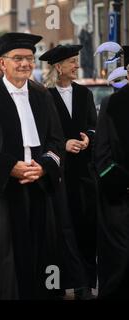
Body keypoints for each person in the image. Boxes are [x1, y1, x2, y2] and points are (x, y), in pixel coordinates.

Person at [0, 32, 65, 299]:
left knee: (43, 255)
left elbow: (56, 141)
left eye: (29, 59)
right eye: (18, 58)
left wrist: (44, 166)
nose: (25, 64)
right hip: (2, 192)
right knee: (9, 262)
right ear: (3, 63)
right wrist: (10, 166)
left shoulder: (42, 95)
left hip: (40, 186)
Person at [40, 44, 98, 299]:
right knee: (61, 229)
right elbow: (41, 136)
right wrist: (62, 145)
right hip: (58, 173)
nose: (76, 65)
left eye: (77, 61)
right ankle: (58, 283)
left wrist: (88, 140)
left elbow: (95, 128)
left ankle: (84, 283)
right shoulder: (44, 96)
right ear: (58, 67)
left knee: (85, 228)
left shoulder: (84, 94)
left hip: (83, 174)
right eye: (72, 61)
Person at [94, 46, 129, 299]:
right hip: (120, 197)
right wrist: (119, 182)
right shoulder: (112, 103)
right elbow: (101, 153)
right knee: (120, 258)